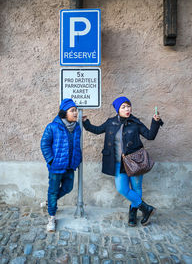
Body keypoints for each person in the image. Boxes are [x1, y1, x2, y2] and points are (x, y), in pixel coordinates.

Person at [82, 96, 163, 226]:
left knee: (136, 188)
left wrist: (155, 122)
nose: (127, 109)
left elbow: (150, 135)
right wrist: (86, 122)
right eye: (123, 107)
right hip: (119, 164)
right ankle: (146, 208)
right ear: (117, 109)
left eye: (128, 106)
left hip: (135, 161)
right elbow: (97, 130)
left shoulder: (135, 122)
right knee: (122, 188)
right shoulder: (110, 122)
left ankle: (133, 214)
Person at [41, 98, 82, 232]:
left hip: (70, 165)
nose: (76, 113)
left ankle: (49, 202)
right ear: (64, 113)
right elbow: (44, 144)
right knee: (53, 191)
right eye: (72, 110)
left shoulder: (77, 128)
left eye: (76, 110)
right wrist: (51, 160)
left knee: (68, 188)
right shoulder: (52, 126)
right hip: (56, 167)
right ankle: (52, 217)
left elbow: (77, 146)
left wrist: (78, 158)